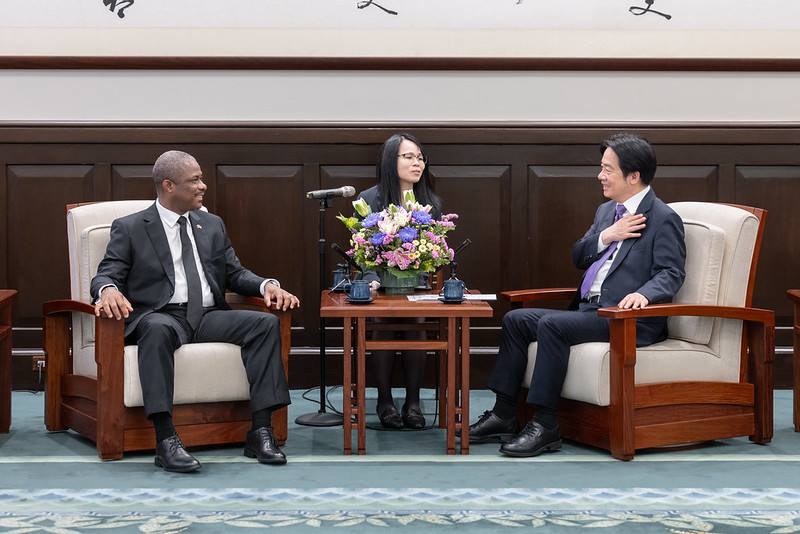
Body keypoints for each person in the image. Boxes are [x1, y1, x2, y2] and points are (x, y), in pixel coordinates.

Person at [469, 133, 686, 457]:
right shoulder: (606, 213)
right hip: (590, 311)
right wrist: (607, 236)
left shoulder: (663, 218)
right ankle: (504, 413)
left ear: (634, 175)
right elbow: (577, 256)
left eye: (607, 169)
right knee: (516, 319)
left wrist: (643, 294)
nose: (600, 176)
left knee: (553, 326)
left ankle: (545, 424)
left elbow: (671, 272)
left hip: (625, 318)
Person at [91, 150, 300, 472]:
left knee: (264, 324)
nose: (203, 186)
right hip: (162, 315)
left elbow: (234, 273)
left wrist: (266, 286)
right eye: (195, 180)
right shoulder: (131, 227)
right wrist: (108, 290)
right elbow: (107, 273)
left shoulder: (211, 224)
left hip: (207, 316)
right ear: (169, 185)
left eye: (201, 178)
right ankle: (166, 439)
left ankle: (260, 431)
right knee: (157, 330)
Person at [356, 133, 442, 430]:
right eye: (409, 157)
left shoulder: (430, 203)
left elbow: (437, 251)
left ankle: (414, 401)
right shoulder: (369, 200)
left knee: (416, 321)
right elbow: (361, 252)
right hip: (380, 287)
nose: (416, 163)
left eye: (420, 158)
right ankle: (384, 400)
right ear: (390, 161)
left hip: (417, 286)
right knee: (382, 320)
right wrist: (371, 281)